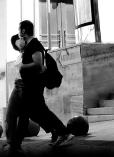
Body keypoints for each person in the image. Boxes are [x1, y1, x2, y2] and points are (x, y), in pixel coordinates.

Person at [9, 20, 72, 153]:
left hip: (33, 87)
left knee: (39, 112)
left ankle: (63, 132)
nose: (19, 33)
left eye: (20, 30)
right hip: (29, 86)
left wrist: (22, 66)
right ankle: (16, 145)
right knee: (28, 114)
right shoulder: (31, 45)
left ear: (24, 31)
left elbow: (38, 65)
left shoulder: (35, 45)